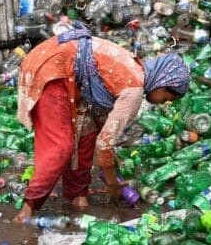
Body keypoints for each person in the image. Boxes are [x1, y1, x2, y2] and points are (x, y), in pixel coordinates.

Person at [14, 28, 190, 223]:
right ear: (162, 85)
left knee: (86, 134)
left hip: (71, 75)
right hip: (51, 68)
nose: (163, 102)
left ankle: (77, 195)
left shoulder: (136, 72)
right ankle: (28, 207)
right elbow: (105, 144)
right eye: (167, 97)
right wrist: (113, 183)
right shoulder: (134, 90)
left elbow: (101, 129)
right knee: (61, 146)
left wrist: (113, 166)